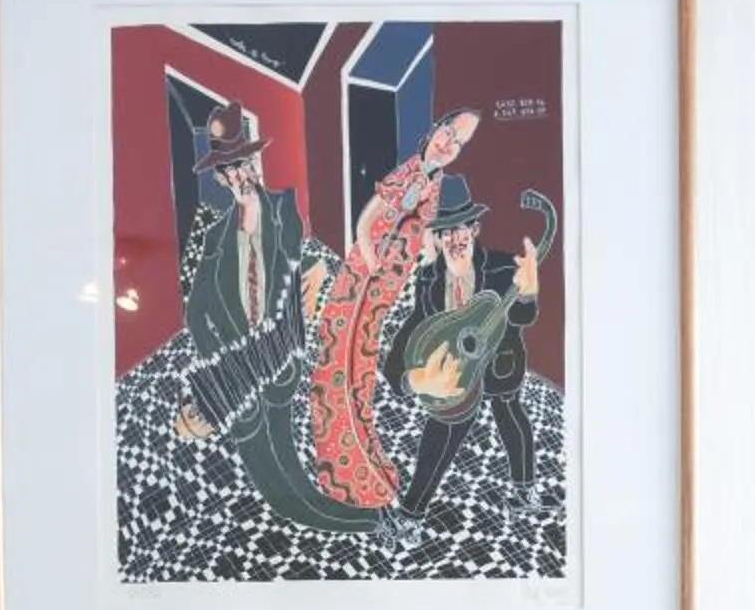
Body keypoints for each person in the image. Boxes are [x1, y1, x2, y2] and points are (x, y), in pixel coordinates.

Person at [171, 102, 382, 540]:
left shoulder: (286, 211)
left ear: (253, 162)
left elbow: (298, 259)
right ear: (220, 176)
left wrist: (317, 267)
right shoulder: (213, 237)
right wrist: (226, 365)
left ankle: (365, 521)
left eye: (243, 164)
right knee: (276, 494)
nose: (238, 176)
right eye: (228, 170)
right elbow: (196, 312)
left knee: (291, 470)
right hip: (237, 384)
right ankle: (363, 521)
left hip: (281, 361)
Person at [308, 108, 481, 510]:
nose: (449, 144)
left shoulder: (436, 182)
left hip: (382, 293)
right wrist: (369, 262)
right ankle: (345, 472)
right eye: (447, 133)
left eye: (459, 143)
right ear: (434, 129)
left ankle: (363, 454)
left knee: (362, 366)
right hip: (363, 283)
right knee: (340, 360)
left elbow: (426, 230)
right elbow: (368, 221)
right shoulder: (411, 173)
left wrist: (428, 249)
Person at [380, 169, 541, 522]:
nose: (454, 238)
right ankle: (412, 513)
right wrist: (408, 380)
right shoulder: (430, 279)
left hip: (499, 365)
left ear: (475, 230)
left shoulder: (500, 267)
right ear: (436, 239)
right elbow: (411, 330)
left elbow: (523, 317)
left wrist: (528, 293)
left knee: (510, 414)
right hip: (460, 371)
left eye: (461, 228)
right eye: (445, 231)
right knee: (442, 428)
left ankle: (525, 488)